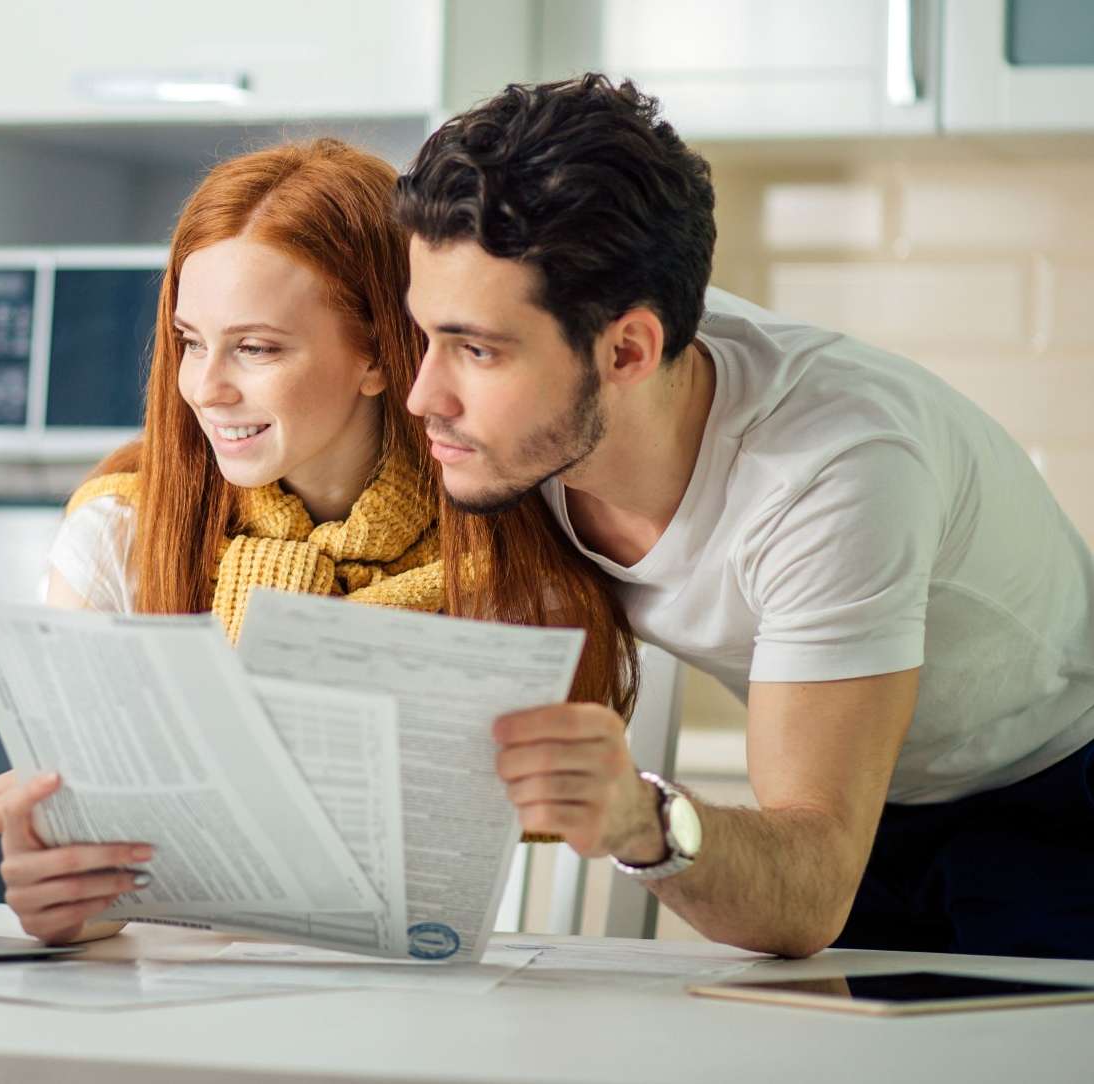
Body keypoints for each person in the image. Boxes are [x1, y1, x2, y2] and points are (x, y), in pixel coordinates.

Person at [0, 139, 638, 942]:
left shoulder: (505, 562)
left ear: (377, 352)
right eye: (190, 341)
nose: (204, 386)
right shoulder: (120, 533)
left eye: (255, 347)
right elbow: (100, 876)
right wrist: (68, 904)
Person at [395, 74, 1094, 959]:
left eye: (475, 351)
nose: (425, 394)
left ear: (627, 350)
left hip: (1051, 795)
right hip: (855, 815)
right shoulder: (530, 405)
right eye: (429, 336)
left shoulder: (832, 470)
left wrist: (639, 819)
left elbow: (804, 892)